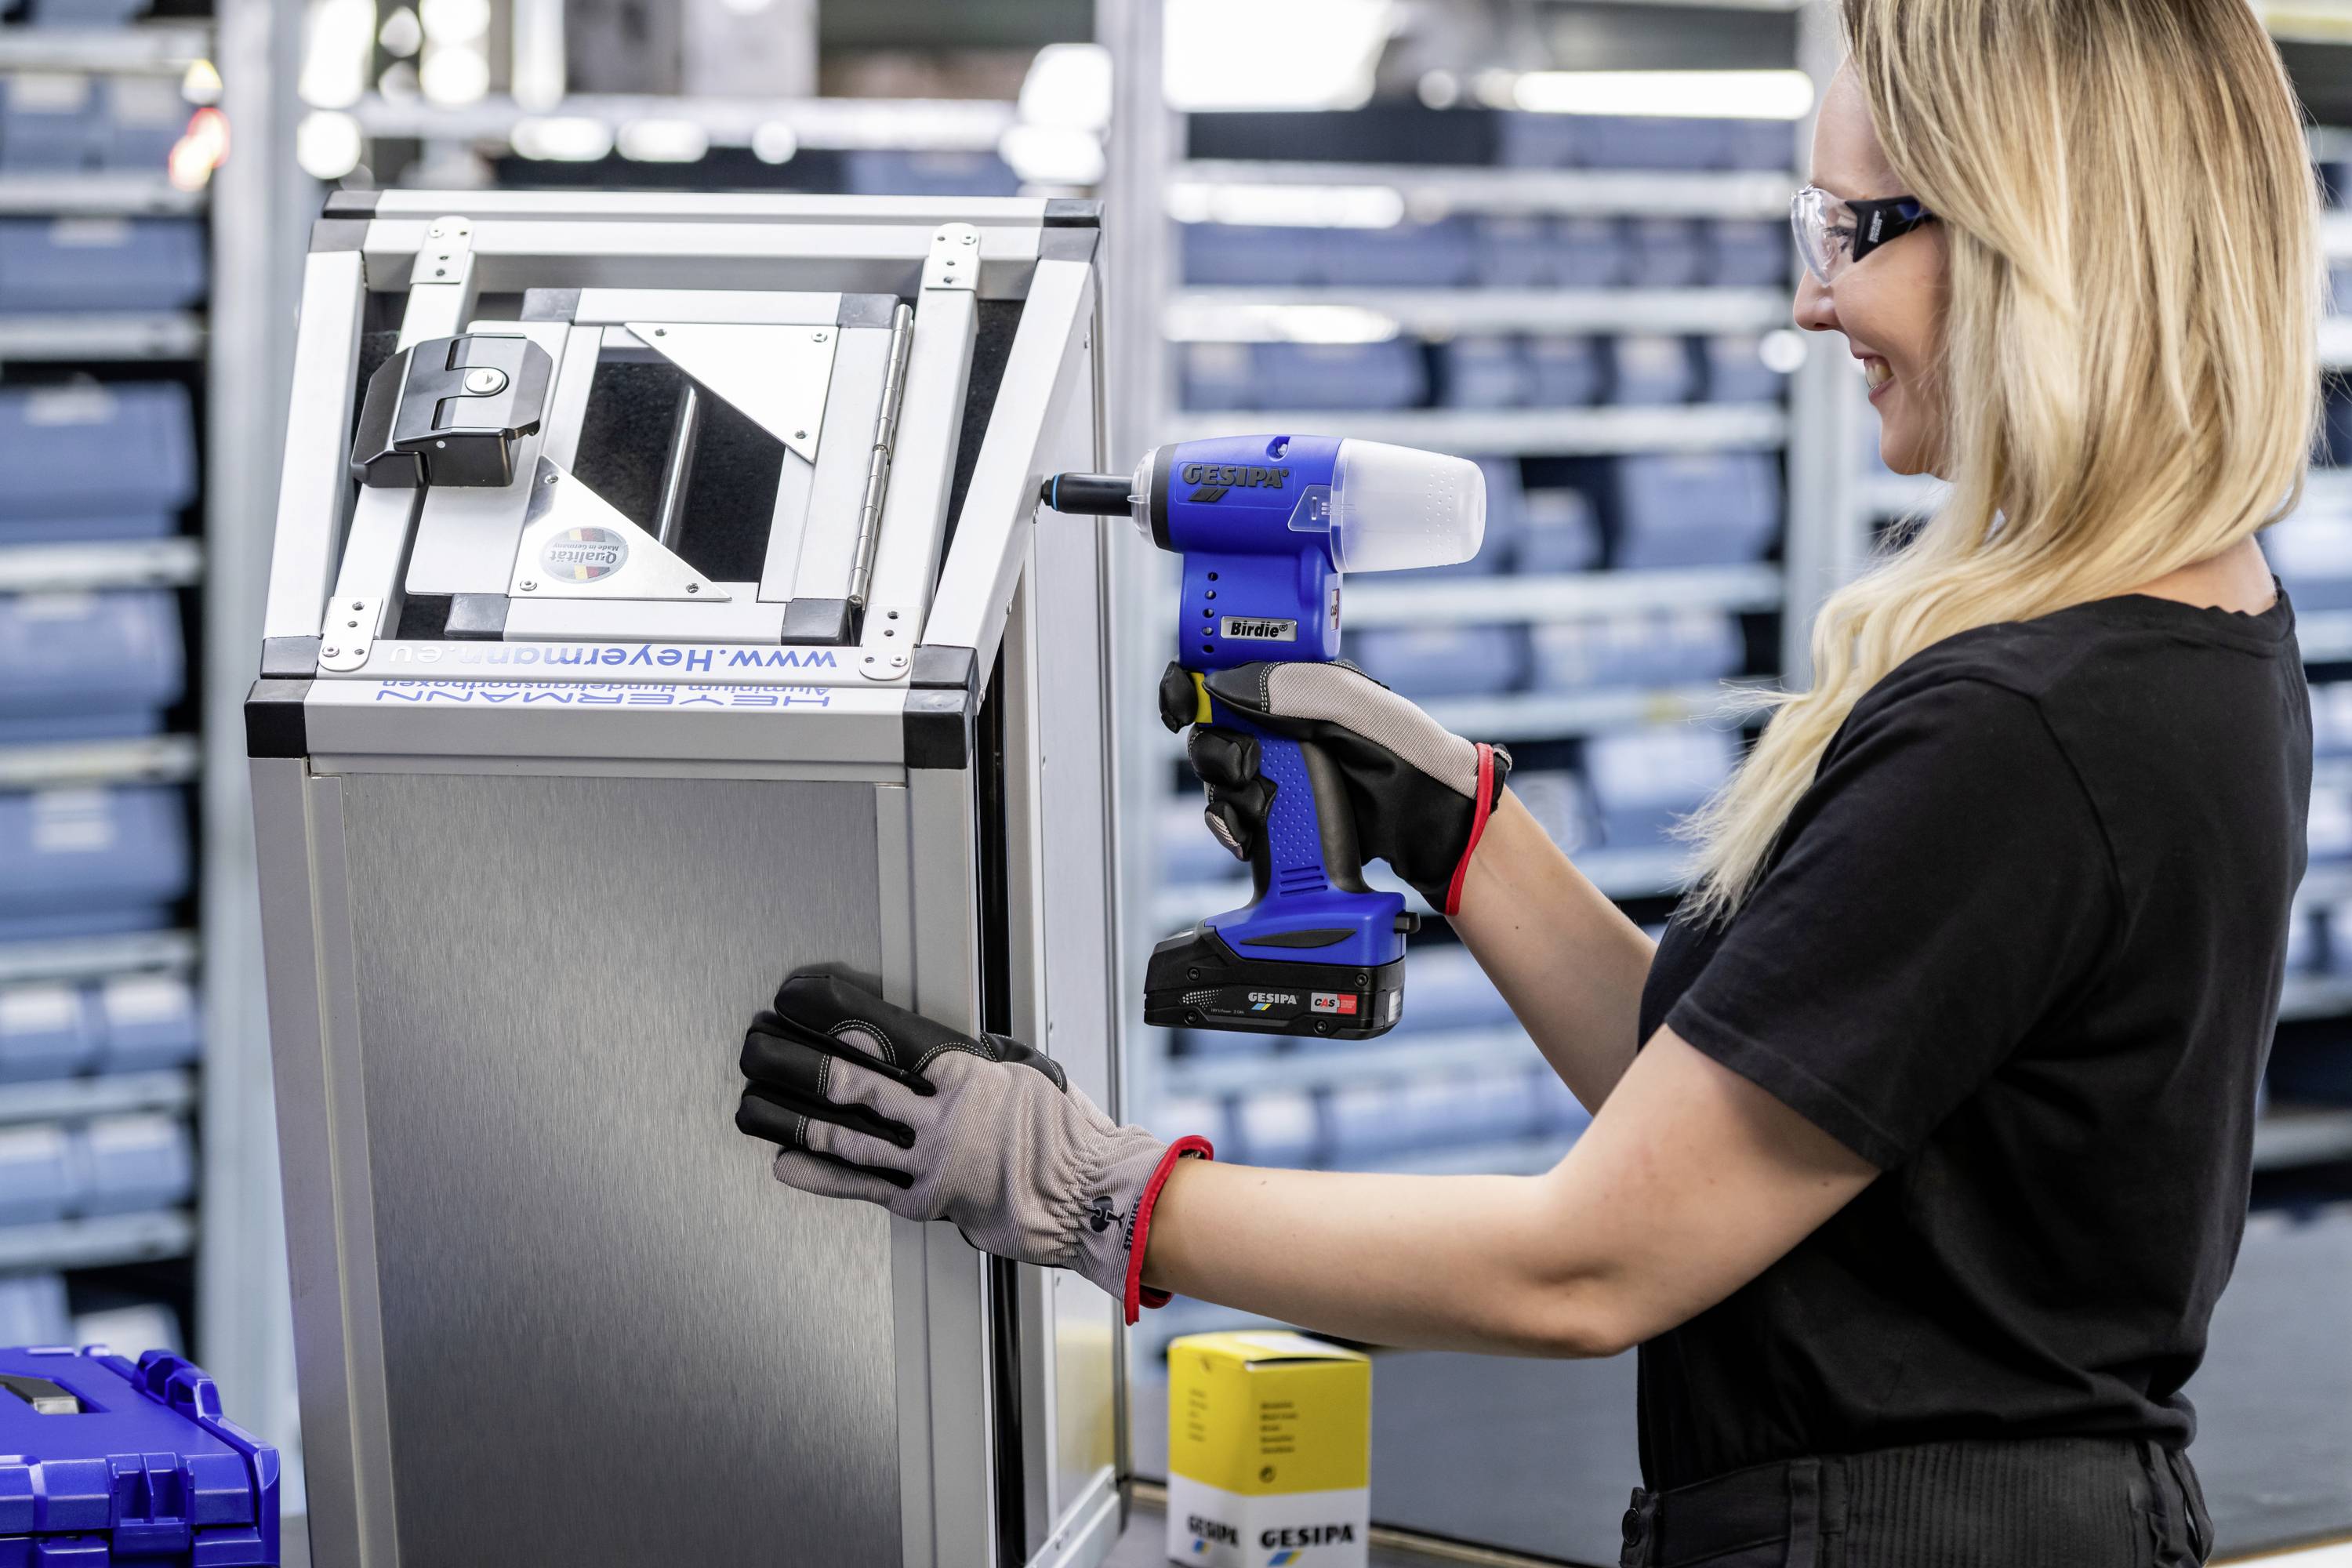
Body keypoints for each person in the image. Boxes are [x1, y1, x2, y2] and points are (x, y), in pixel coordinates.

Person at [731, 1, 2316, 1562]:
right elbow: (1725, 1110)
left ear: (2042, 239)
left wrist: (1077, 1187)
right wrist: (1454, 825)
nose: (1817, 300)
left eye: (1857, 229)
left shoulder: (2021, 729)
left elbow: (1590, 1264)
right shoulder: (2191, 631)